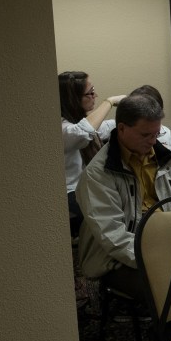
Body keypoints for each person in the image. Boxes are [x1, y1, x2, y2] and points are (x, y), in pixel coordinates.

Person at [76, 94, 171, 299]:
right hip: (120, 258)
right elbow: (113, 237)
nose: (153, 141)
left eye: (156, 134)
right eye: (145, 135)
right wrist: (160, 257)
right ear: (122, 129)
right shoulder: (97, 175)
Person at [59, 71, 126, 235]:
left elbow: (103, 127)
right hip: (69, 194)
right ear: (73, 99)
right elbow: (83, 132)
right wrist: (110, 101)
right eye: (90, 93)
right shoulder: (63, 128)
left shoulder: (79, 122)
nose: (95, 95)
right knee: (108, 217)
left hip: (86, 188)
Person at [98, 85, 171, 152]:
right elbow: (91, 130)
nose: (153, 142)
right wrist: (110, 101)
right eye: (145, 135)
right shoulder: (115, 126)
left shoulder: (166, 133)